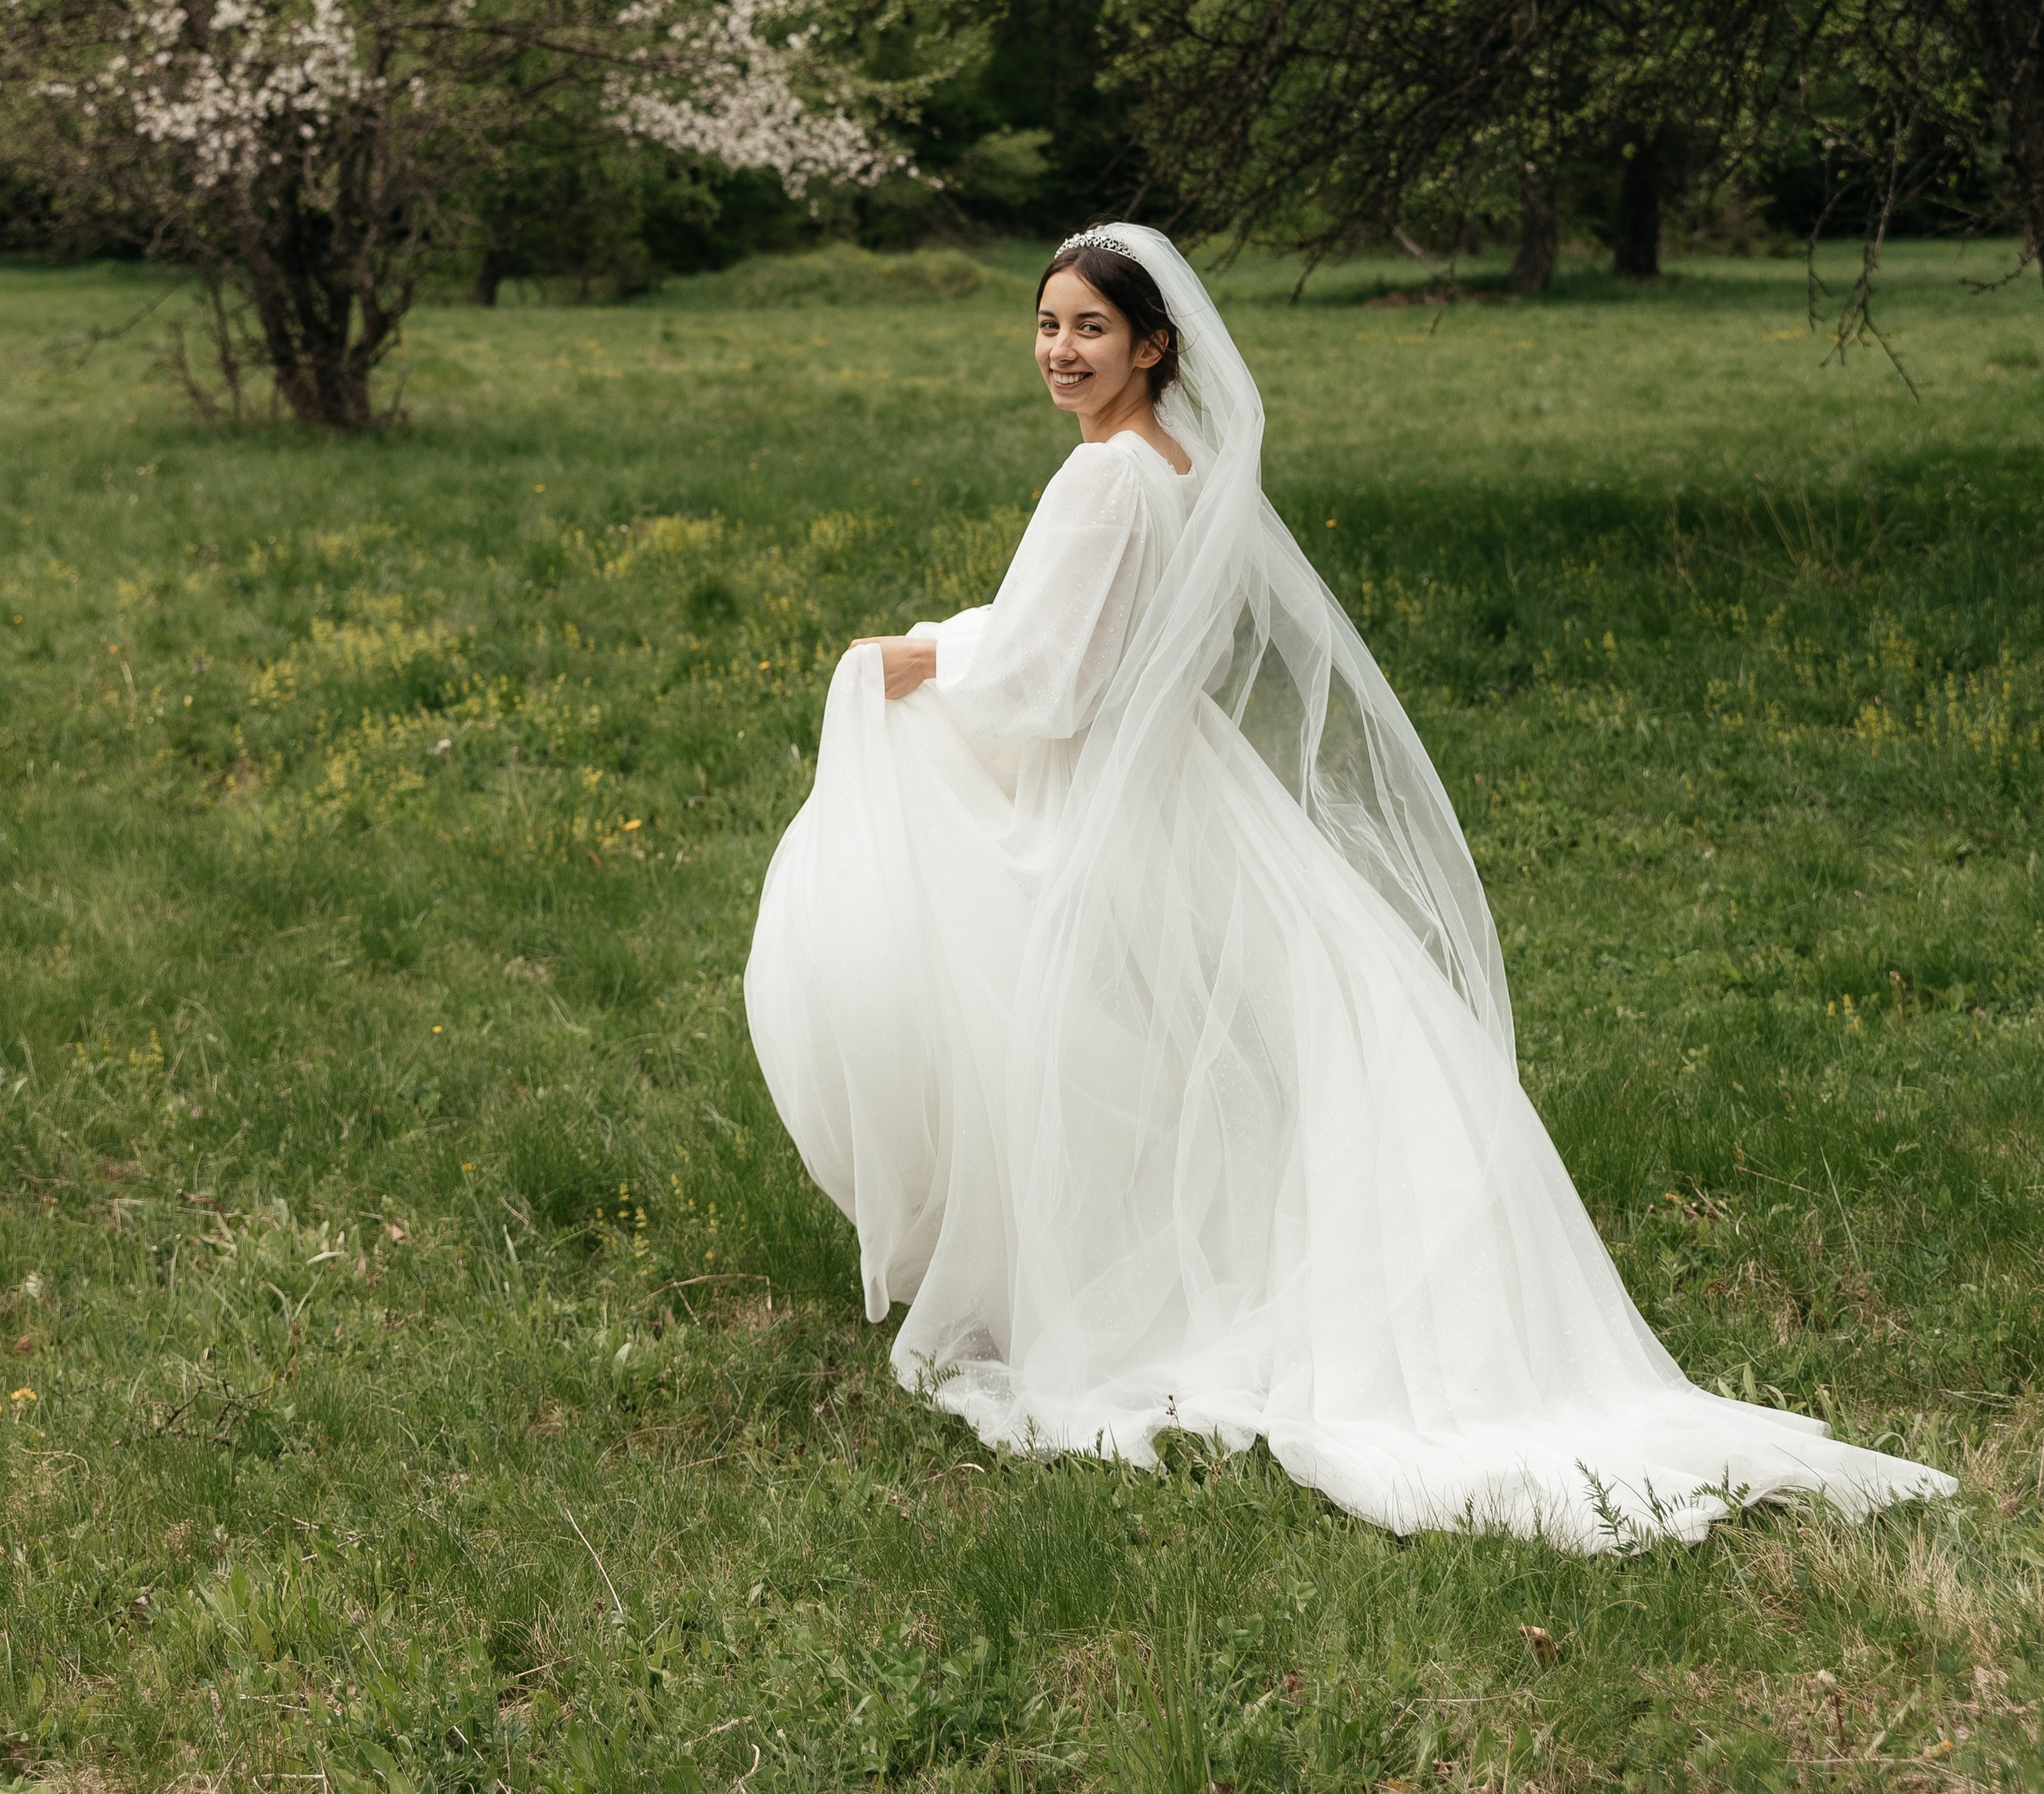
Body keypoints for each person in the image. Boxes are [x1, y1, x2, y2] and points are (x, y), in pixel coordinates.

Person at [744, 225, 1953, 1549]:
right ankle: (1108, 1266)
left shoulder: (1101, 486)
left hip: (1106, 789)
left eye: (1091, 328)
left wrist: (905, 661)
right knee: (1147, 1042)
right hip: (1184, 785)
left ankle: (1093, 1288)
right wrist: (961, 644)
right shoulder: (1182, 466)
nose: (1061, 352)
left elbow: (1052, 681)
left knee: (1030, 1003)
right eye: (1046, 326)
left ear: (1153, 346)